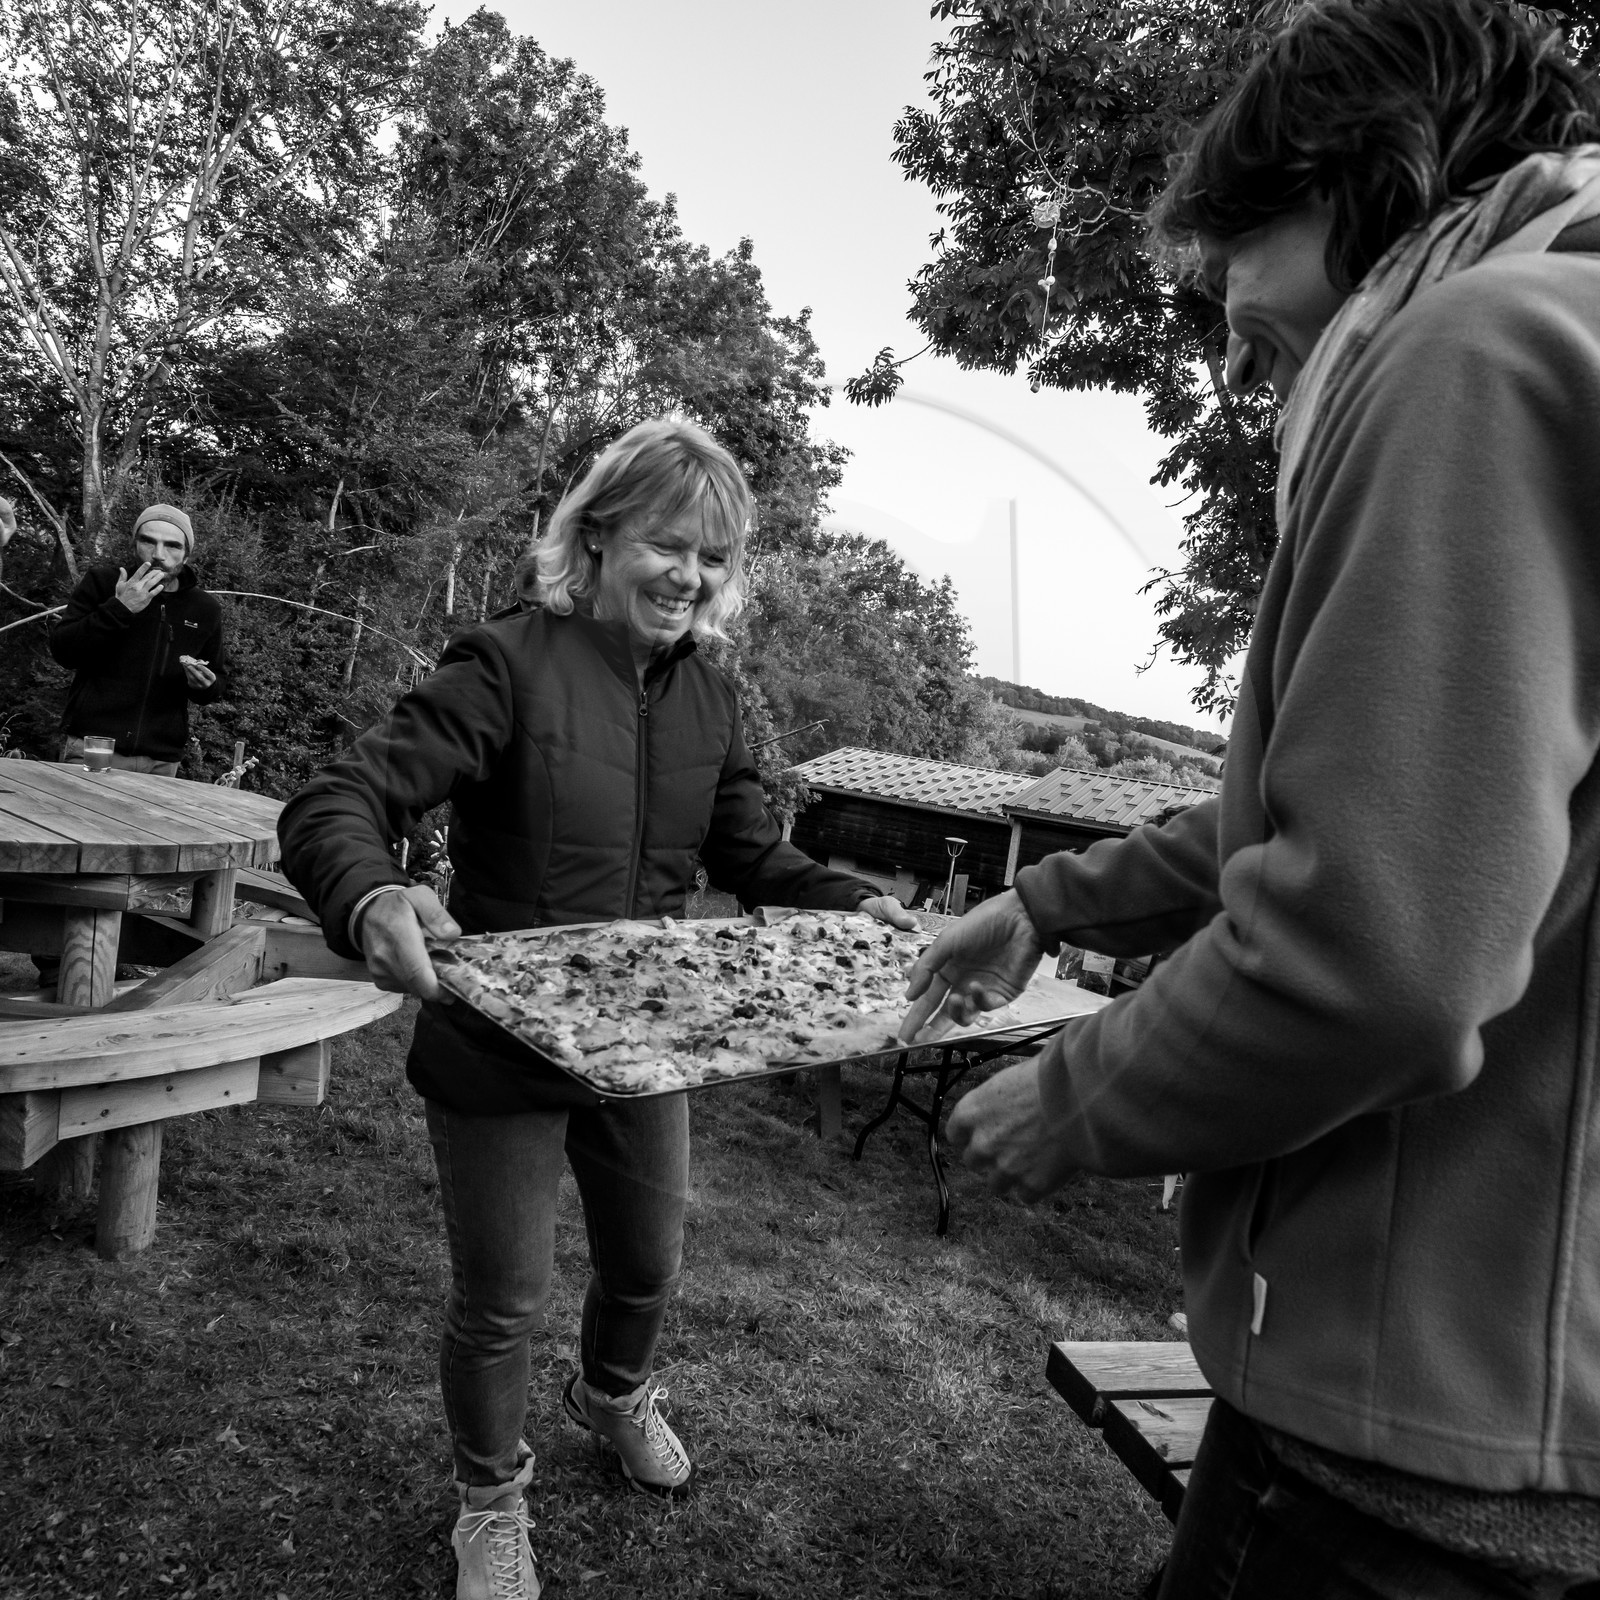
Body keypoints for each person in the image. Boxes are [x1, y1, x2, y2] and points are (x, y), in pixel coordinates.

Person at [901, 2, 1600, 1594]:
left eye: (1243, 240)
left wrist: (1071, 1100)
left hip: (1409, 1432)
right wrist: (1047, 899)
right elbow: (1382, 813)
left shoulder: (1472, 350)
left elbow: (1379, 957)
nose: (1224, 329)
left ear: (1375, 177)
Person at [278, 417, 911, 1600]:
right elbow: (343, 795)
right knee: (502, 1299)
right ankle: (491, 1499)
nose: (690, 576)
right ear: (602, 534)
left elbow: (750, 851)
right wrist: (365, 891)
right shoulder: (508, 662)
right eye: (669, 544)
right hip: (499, 1045)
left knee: (648, 1265)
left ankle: (612, 1393)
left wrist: (847, 903)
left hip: (643, 1046)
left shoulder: (714, 698)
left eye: (714, 559)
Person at [49, 503, 225, 775]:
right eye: (148, 541)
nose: (158, 554)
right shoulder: (103, 584)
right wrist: (120, 608)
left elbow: (217, 681)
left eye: (172, 546)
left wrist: (205, 685)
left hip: (162, 761)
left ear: (186, 555)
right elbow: (64, 652)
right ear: (134, 546)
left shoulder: (204, 608)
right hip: (96, 747)